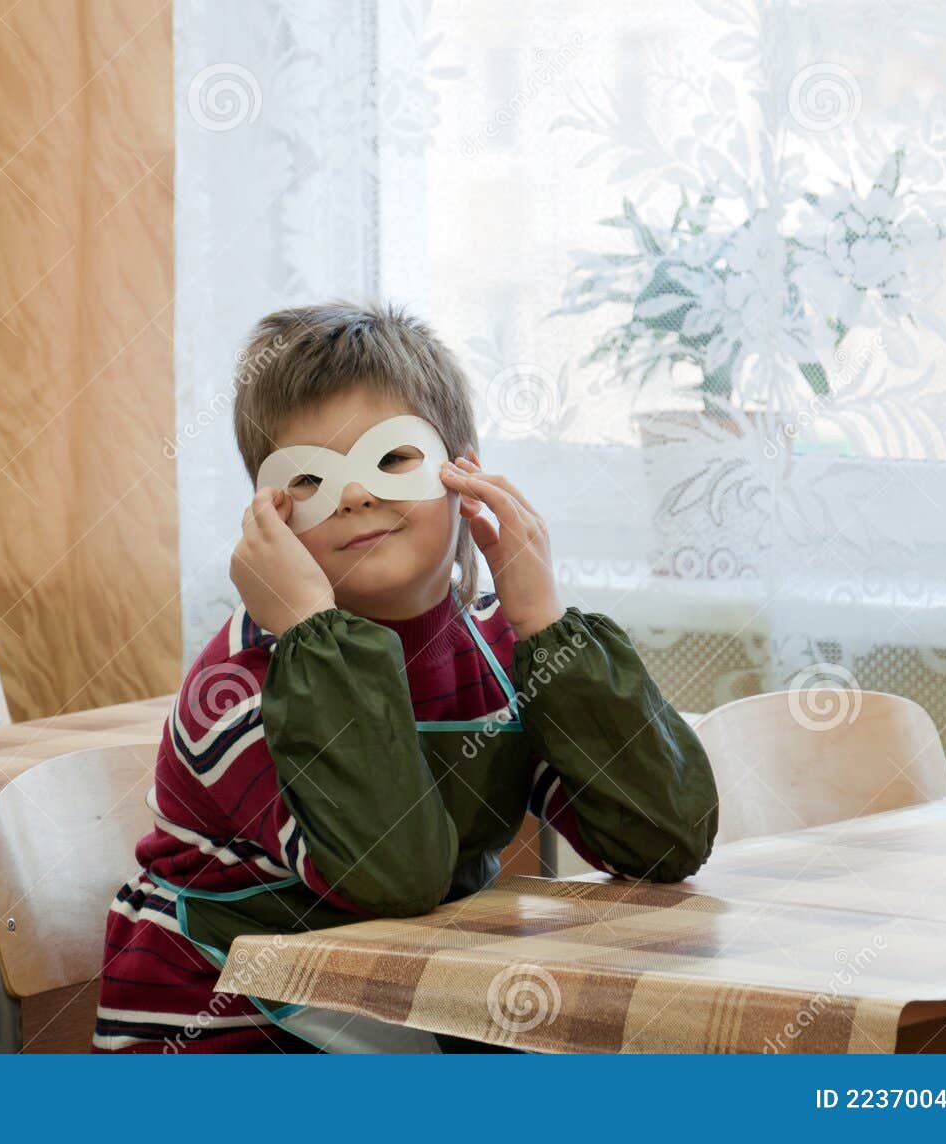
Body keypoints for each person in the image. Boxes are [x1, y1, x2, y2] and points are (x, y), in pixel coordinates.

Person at [92, 301, 718, 1053]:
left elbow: (664, 843)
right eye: (314, 480)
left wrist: (548, 626)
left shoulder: (498, 645)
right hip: (236, 1030)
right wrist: (317, 636)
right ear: (271, 517)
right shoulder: (236, 688)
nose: (357, 496)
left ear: (464, 473)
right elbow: (393, 874)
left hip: (420, 1008)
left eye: (392, 461)